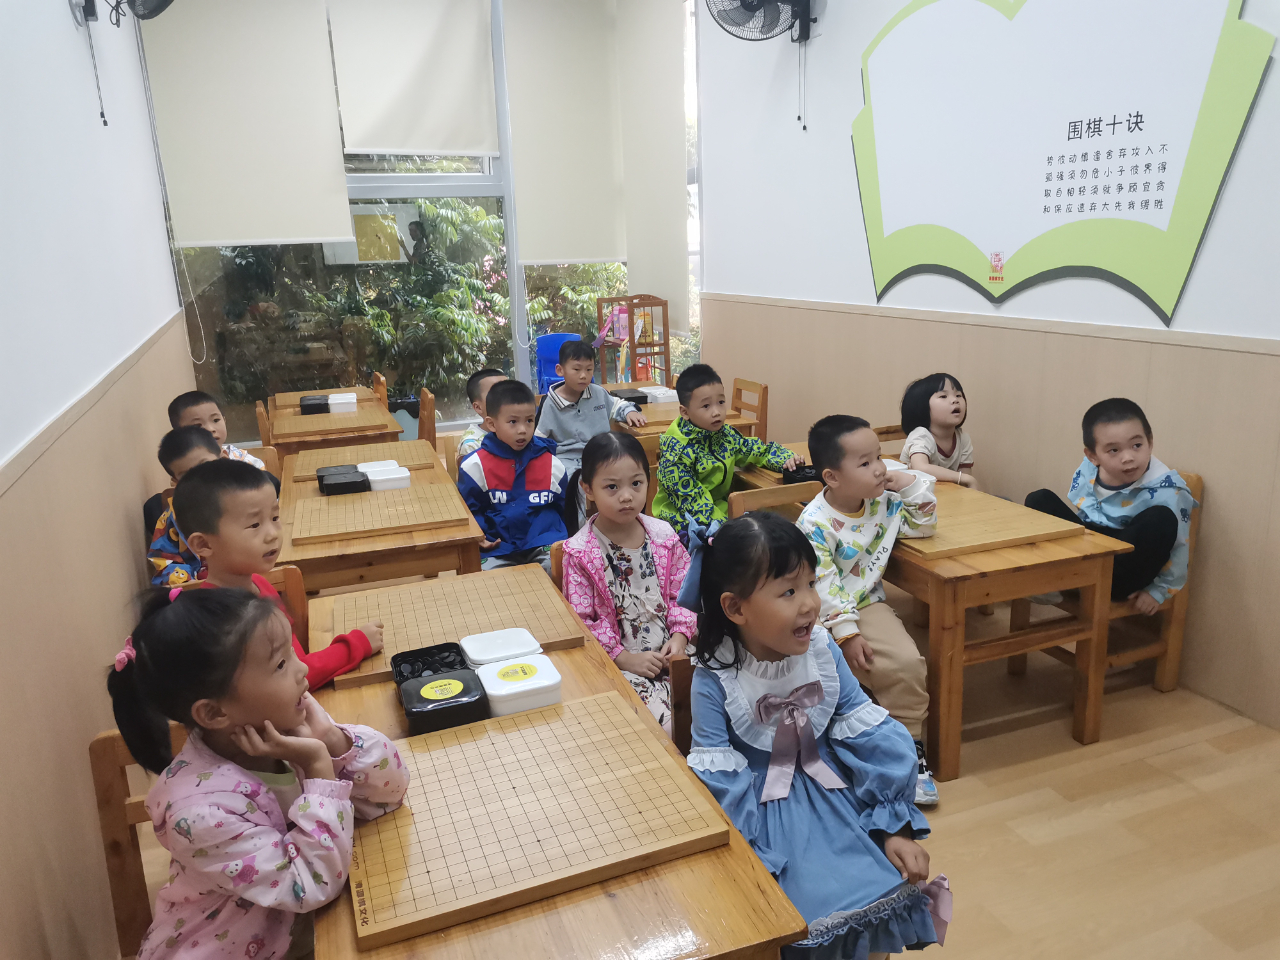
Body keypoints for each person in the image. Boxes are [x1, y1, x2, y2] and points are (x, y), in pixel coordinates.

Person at [686, 512, 940, 959]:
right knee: (799, 919)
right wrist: (749, 862)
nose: (809, 604)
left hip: (840, 799)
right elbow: (719, 785)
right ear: (736, 608)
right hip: (767, 822)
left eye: (811, 583)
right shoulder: (714, 678)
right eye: (788, 591)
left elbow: (869, 736)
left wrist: (895, 827)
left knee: (881, 893)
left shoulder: (823, 650)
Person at [107, 587, 408, 960]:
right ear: (215, 713)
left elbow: (389, 791)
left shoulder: (283, 727)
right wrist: (318, 765)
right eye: (280, 664)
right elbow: (309, 884)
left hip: (304, 934)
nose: (302, 669)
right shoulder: (201, 814)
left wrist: (332, 738)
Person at [796, 415, 940, 806]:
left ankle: (909, 746)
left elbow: (924, 525)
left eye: (879, 457)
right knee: (817, 674)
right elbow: (822, 583)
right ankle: (836, 744)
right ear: (832, 477)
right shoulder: (815, 522)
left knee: (905, 663)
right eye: (864, 463)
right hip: (815, 611)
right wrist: (847, 633)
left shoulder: (884, 502)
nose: (879, 468)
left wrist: (910, 483)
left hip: (865, 604)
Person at [175, 459, 384, 688]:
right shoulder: (223, 622)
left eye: (275, 518)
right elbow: (293, 677)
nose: (272, 534)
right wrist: (356, 645)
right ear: (203, 544)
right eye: (254, 525)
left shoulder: (258, 582)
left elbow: (294, 660)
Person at [561, 432, 697, 734]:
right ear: (588, 489)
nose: (626, 496)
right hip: (618, 665)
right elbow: (583, 621)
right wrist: (623, 658)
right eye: (612, 487)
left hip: (676, 653)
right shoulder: (580, 553)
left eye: (636, 483)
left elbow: (684, 593)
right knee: (662, 729)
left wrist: (680, 637)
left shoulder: (664, 536)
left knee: (722, 703)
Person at [1025, 398, 1196, 613]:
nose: (1128, 457)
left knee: (1161, 519)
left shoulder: (1169, 491)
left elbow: (1179, 547)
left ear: (1150, 442)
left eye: (1137, 445)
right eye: (1114, 450)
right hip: (1089, 549)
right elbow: (1085, 520)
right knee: (1038, 499)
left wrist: (1158, 591)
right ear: (1093, 456)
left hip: (1121, 570)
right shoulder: (1090, 471)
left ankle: (1065, 579)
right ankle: (1057, 575)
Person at [652, 363, 802, 538]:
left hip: (719, 509)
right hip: (681, 520)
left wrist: (786, 459)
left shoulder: (725, 435)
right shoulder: (677, 451)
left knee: (768, 528)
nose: (717, 412)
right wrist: (730, 528)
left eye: (721, 402)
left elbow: (755, 450)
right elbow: (693, 503)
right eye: (706, 406)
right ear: (685, 412)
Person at [457, 379, 568, 573]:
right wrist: (478, 535)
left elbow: (561, 506)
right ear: (492, 424)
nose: (523, 429)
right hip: (496, 547)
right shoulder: (474, 466)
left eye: (529, 420)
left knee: (560, 569)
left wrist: (552, 535)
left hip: (542, 541)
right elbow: (468, 510)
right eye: (513, 422)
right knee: (490, 581)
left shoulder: (552, 464)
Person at [535, 339, 646, 476]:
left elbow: (617, 405)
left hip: (601, 456)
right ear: (560, 370)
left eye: (589, 369)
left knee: (628, 471)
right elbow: (538, 441)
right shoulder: (550, 403)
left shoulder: (598, 392)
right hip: (566, 462)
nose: (583, 375)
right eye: (576, 369)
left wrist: (629, 411)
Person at [145, 426, 225, 546]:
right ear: (177, 482)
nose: (199, 476)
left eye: (204, 465)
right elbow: (165, 554)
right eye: (186, 475)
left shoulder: (250, 492)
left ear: (224, 459)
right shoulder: (175, 519)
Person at [899, 373, 977, 489]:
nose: (955, 400)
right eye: (943, 396)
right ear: (922, 406)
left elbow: (965, 485)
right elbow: (920, 467)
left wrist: (966, 481)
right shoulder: (921, 435)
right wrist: (963, 478)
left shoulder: (963, 438)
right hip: (913, 496)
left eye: (958, 395)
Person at [168, 390, 265, 469]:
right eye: (197, 426)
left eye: (216, 420)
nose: (210, 429)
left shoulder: (243, 460)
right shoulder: (183, 468)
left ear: (224, 420)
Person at [458, 368, 507, 459]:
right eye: (496, 394)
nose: (508, 398)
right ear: (478, 407)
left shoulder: (523, 431)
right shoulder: (472, 446)